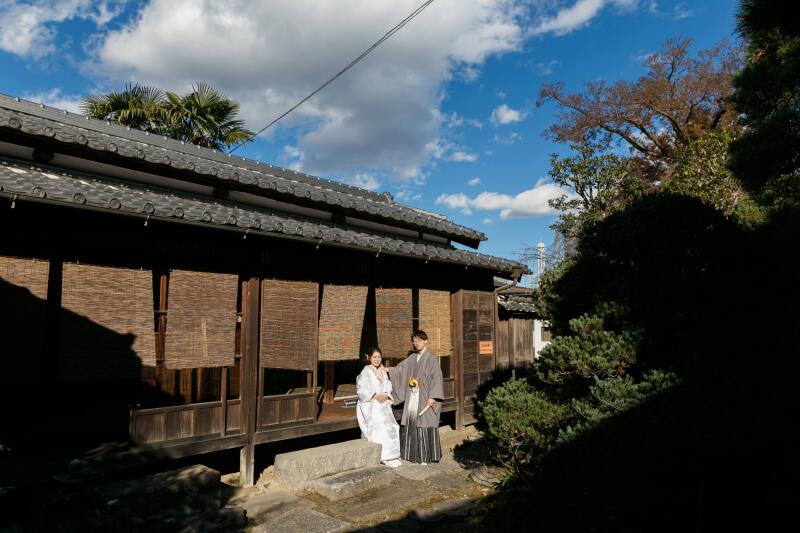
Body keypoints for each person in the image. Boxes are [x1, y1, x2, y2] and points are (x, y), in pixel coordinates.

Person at [388, 330, 444, 464]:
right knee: (411, 422)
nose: (416, 343)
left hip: (425, 396)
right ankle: (410, 454)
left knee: (423, 424)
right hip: (412, 396)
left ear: (426, 341)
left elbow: (436, 378)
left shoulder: (432, 359)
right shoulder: (413, 358)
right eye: (415, 340)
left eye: (419, 340)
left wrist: (433, 397)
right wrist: (387, 370)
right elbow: (400, 369)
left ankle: (424, 457)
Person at [356, 347, 402, 468]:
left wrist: (386, 395)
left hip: (383, 403)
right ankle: (382, 456)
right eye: (374, 357)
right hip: (371, 403)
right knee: (380, 424)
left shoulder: (382, 372)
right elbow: (362, 389)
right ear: (370, 358)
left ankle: (392, 454)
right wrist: (375, 396)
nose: (377, 359)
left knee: (391, 426)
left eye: (379, 357)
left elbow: (388, 386)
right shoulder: (366, 371)